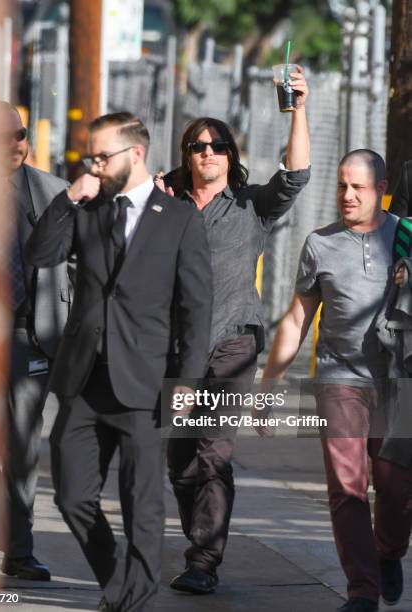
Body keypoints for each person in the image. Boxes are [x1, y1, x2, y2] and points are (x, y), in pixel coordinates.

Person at [24, 112, 212, 612]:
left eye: (103, 156)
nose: (96, 165)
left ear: (136, 154)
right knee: (71, 496)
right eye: (91, 156)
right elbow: (39, 254)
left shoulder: (179, 219)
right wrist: (67, 197)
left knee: (141, 502)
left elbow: (196, 307)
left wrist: (187, 379)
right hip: (84, 378)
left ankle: (135, 598)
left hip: (146, 381)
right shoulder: (87, 207)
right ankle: (117, 576)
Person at [157, 66, 311, 594]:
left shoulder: (250, 206)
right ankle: (198, 541)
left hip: (234, 345)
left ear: (230, 155)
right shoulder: (166, 206)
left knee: (213, 452)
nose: (208, 152)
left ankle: (203, 561)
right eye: (198, 146)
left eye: (218, 145)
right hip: (177, 354)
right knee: (180, 460)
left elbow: (296, 175)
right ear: (186, 154)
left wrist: (298, 110)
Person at [259, 149, 412, 612]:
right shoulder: (320, 244)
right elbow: (296, 319)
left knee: (395, 488)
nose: (347, 195)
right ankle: (361, 590)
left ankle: (389, 551)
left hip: (395, 380)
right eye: (342, 185)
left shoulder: (405, 238)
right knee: (346, 487)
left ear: (381, 190)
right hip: (339, 379)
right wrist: (269, 384)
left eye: (358, 187)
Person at [0, 101, 72, 581]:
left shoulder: (53, 191)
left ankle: (19, 551)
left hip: (30, 336)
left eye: (18, 135)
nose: (12, 146)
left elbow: (80, 268)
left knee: (21, 449)